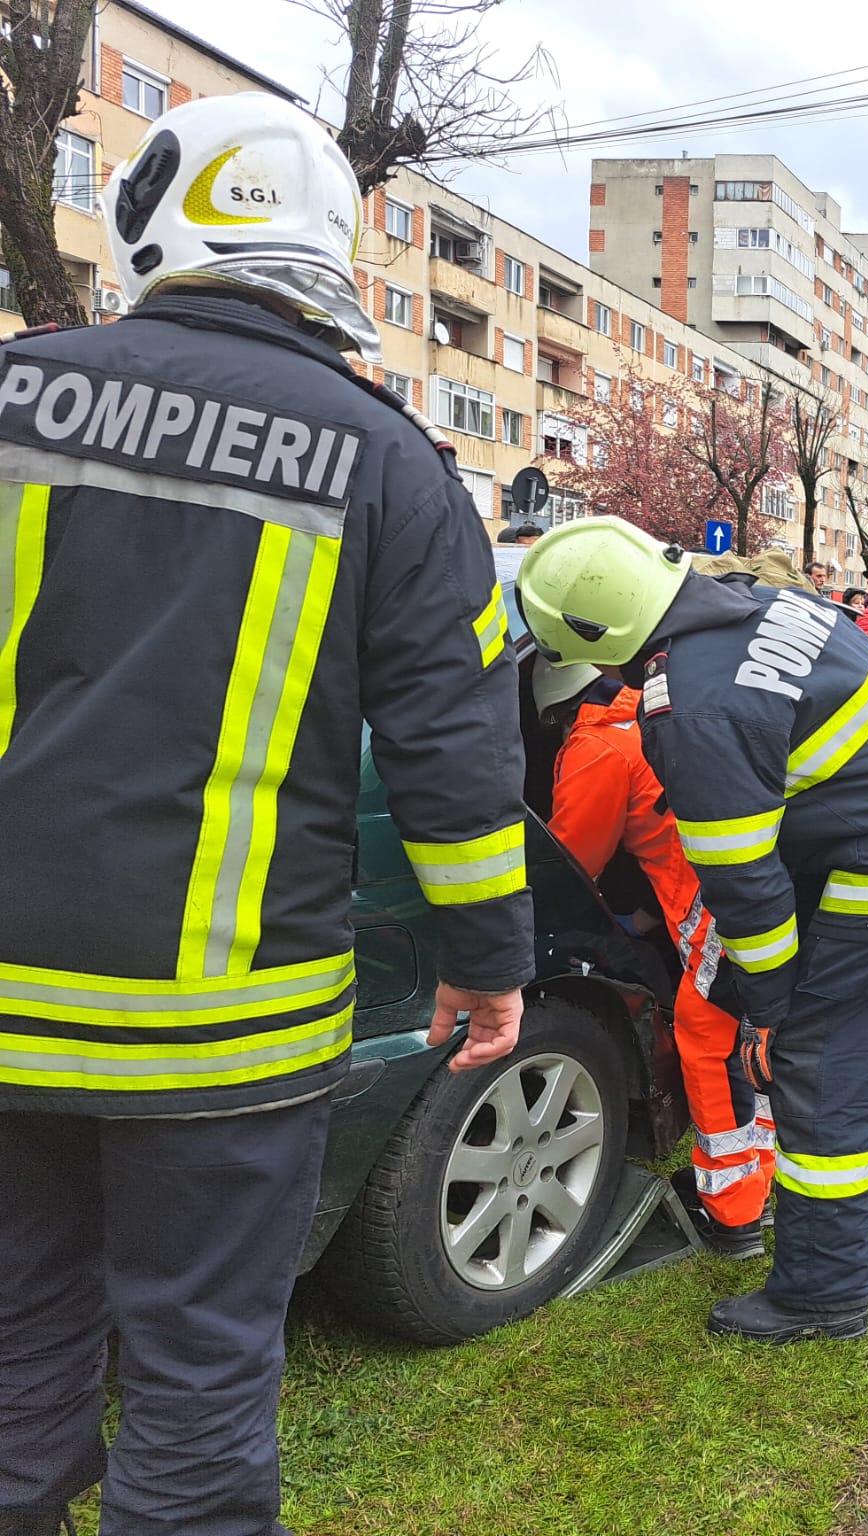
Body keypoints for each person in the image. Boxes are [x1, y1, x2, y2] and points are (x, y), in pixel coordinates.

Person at [0, 94, 534, 1535]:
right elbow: (456, 760)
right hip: (227, 1030)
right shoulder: (394, 465)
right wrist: (489, 959)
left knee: (13, 1352)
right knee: (196, 1376)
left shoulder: (11, 396)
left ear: (155, 220)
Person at [516, 520, 868, 1344]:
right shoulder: (764, 606)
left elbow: (745, 883)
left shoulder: (690, 708)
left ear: (599, 637)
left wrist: (770, 1008)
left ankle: (822, 1294)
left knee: (824, 1073)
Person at [536, 663, 772, 1256]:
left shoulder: (593, 748)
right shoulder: (660, 714)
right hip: (768, 892)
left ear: (557, 715)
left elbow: (571, 862)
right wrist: (640, 916)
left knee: (709, 1039)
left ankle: (735, 1211)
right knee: (762, 1037)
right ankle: (765, 1177)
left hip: (721, 914)